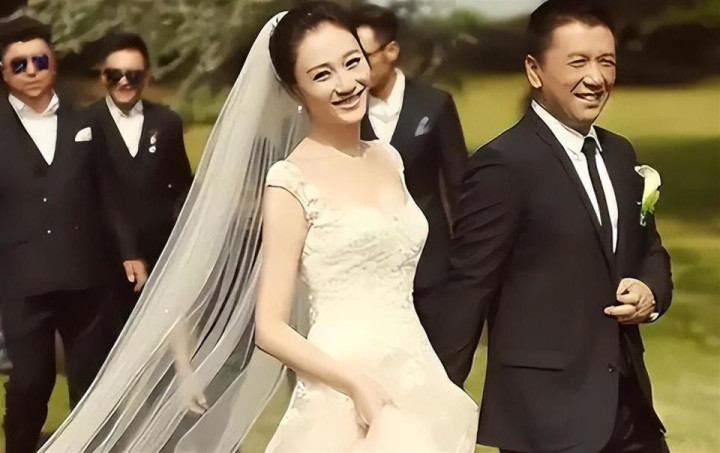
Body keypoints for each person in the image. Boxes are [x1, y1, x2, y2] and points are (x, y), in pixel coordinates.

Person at [37, 3, 477, 452]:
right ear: (295, 89)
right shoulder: (291, 180)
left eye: (352, 62)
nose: (346, 84)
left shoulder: (388, 158)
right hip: (344, 386)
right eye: (322, 75)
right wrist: (354, 384)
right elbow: (270, 327)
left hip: (416, 371)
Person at [427, 1, 673, 452]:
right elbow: (469, 286)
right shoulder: (504, 164)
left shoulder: (620, 155)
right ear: (534, 71)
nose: (596, 77)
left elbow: (649, 250)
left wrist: (651, 292)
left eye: (606, 62)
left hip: (631, 414)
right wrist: (432, 402)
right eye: (578, 62)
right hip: (545, 421)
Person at [0, 17, 145, 453]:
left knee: (90, 381)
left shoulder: (87, 119)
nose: (31, 70)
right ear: (4, 71)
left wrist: (130, 251)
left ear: (53, 62)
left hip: (85, 273)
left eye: (39, 60)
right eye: (19, 64)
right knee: (31, 382)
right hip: (22, 278)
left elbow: (110, 193)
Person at [352, 4, 468, 325]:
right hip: (367, 267)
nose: (355, 68)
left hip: (430, 265)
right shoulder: (346, 112)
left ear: (391, 51)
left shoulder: (435, 104)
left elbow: (459, 187)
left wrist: (465, 262)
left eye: (362, 56)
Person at [85, 32, 193, 328]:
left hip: (163, 253)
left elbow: (182, 186)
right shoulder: (83, 125)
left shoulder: (167, 122)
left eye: (133, 74)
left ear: (146, 76)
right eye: (115, 74)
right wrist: (126, 250)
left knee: (172, 332)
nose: (124, 81)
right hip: (104, 259)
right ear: (103, 76)